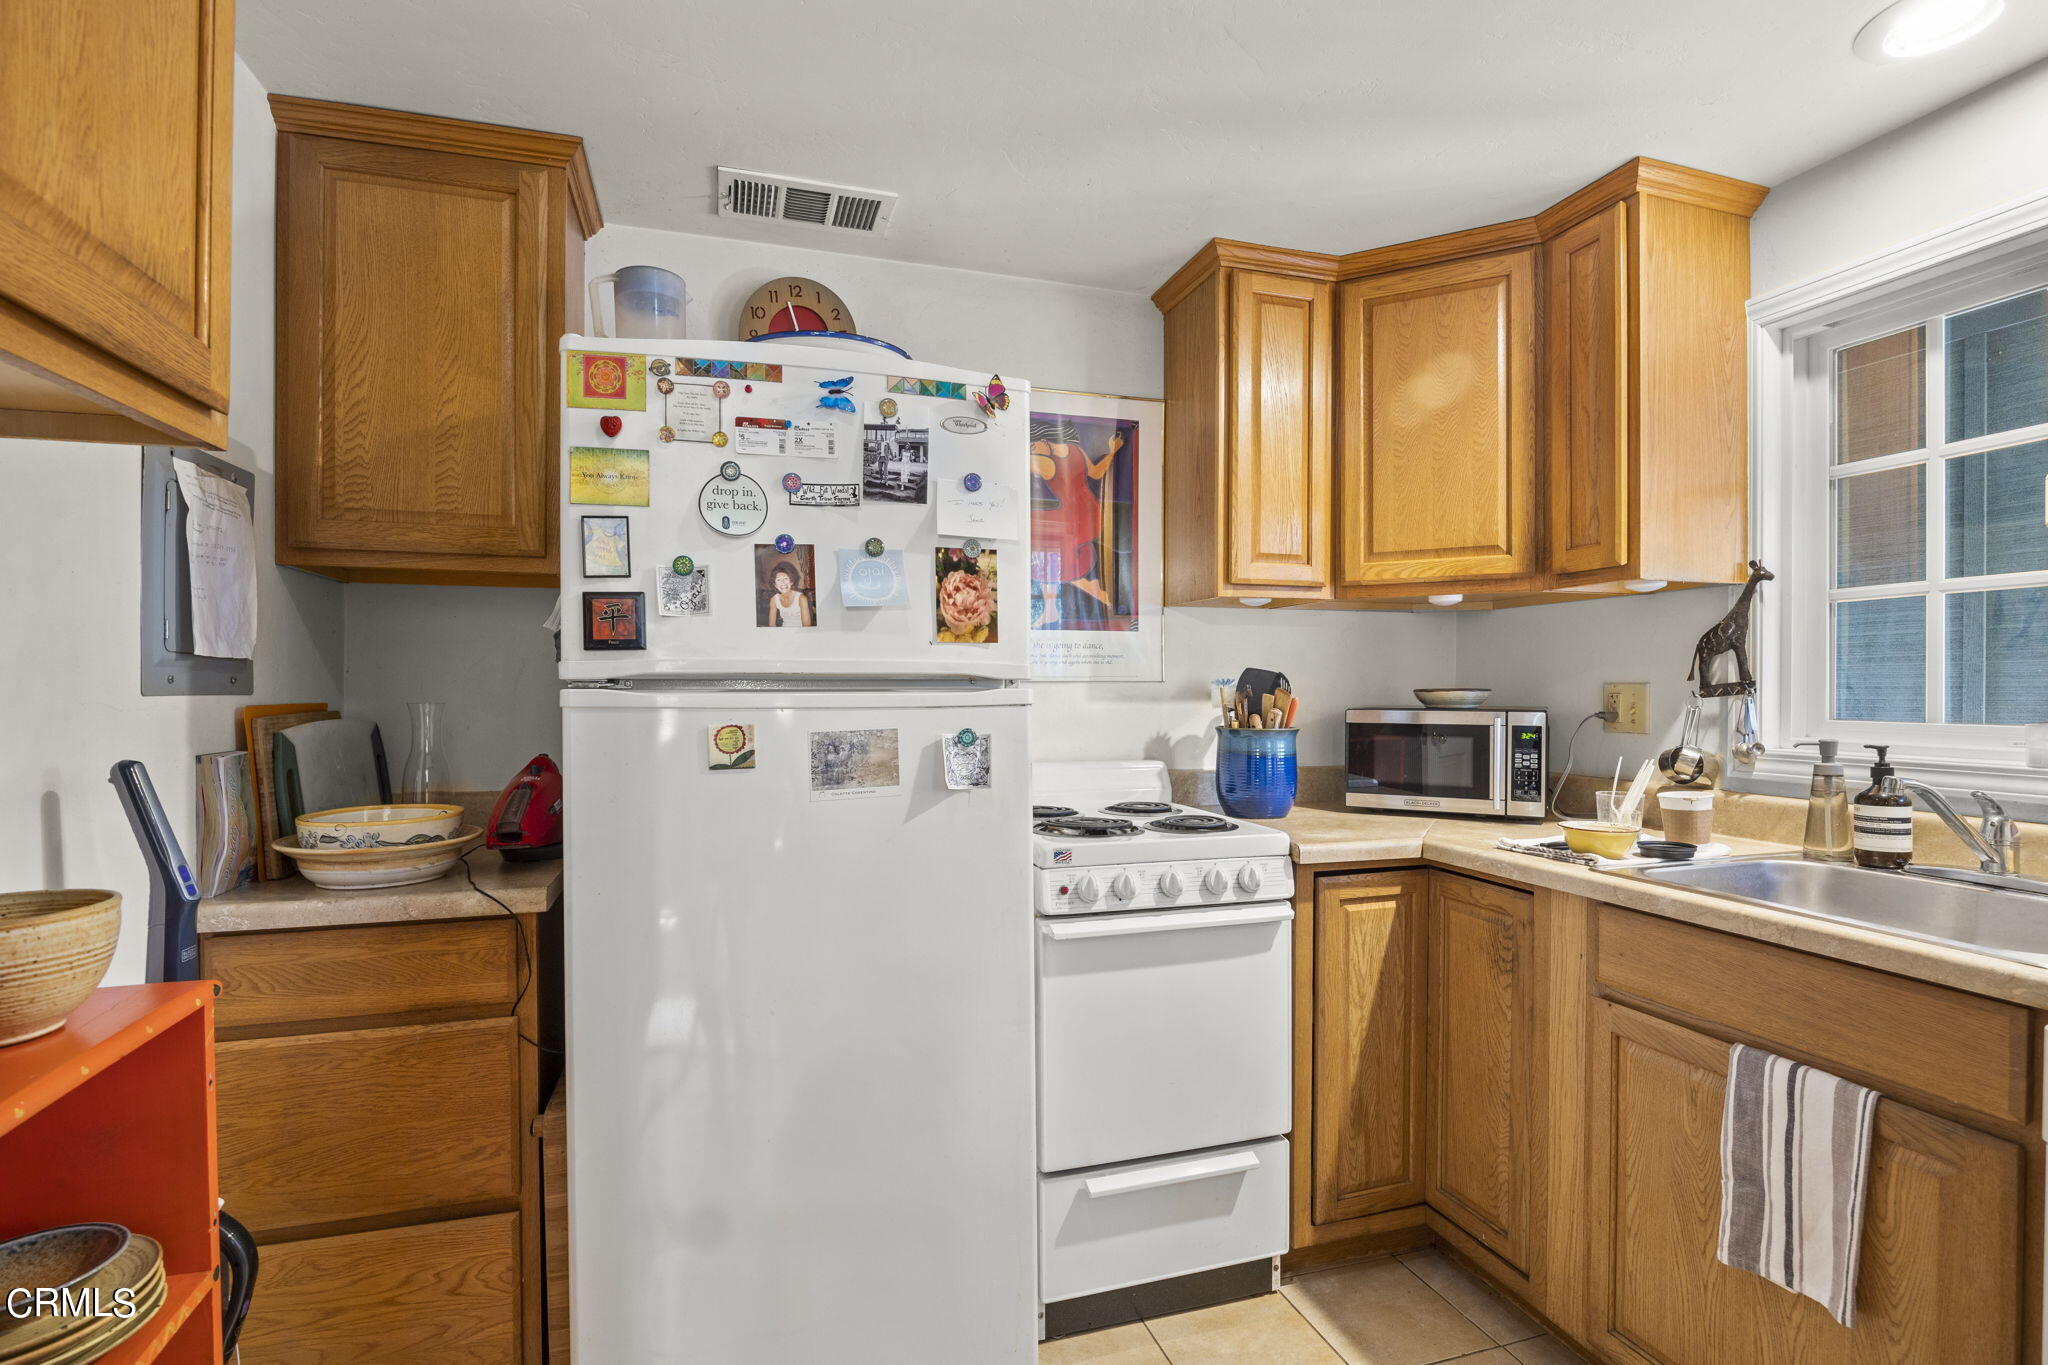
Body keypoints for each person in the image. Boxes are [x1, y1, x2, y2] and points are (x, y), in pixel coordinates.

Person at [765, 561, 814, 627]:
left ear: (791, 581)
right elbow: (771, 625)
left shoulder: (801, 598)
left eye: (785, 578)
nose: (782, 583)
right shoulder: (774, 600)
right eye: (778, 580)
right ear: (775, 585)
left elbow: (806, 627)